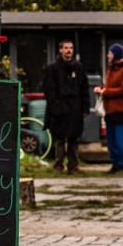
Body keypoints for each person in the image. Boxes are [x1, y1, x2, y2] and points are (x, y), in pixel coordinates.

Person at [42, 39, 89, 173]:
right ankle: (58, 164)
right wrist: (55, 106)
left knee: (74, 137)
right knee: (60, 137)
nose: (69, 51)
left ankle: (73, 165)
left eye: (71, 48)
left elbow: (84, 88)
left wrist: (85, 107)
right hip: (59, 108)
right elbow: (49, 89)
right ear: (61, 50)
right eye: (66, 48)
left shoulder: (79, 67)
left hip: (75, 108)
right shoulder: (53, 69)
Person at [94, 44, 123, 174]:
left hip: (120, 110)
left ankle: (122, 165)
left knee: (119, 139)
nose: (108, 56)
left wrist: (105, 92)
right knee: (111, 141)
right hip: (109, 110)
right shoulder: (111, 70)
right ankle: (114, 164)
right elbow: (108, 86)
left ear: (116, 56)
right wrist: (101, 88)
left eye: (110, 54)